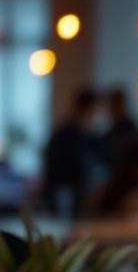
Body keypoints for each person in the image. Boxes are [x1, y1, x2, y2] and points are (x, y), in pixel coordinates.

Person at [42, 87, 100, 217]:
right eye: (95, 111)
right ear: (88, 109)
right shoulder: (66, 135)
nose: (95, 117)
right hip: (64, 196)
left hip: (75, 198)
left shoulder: (85, 135)